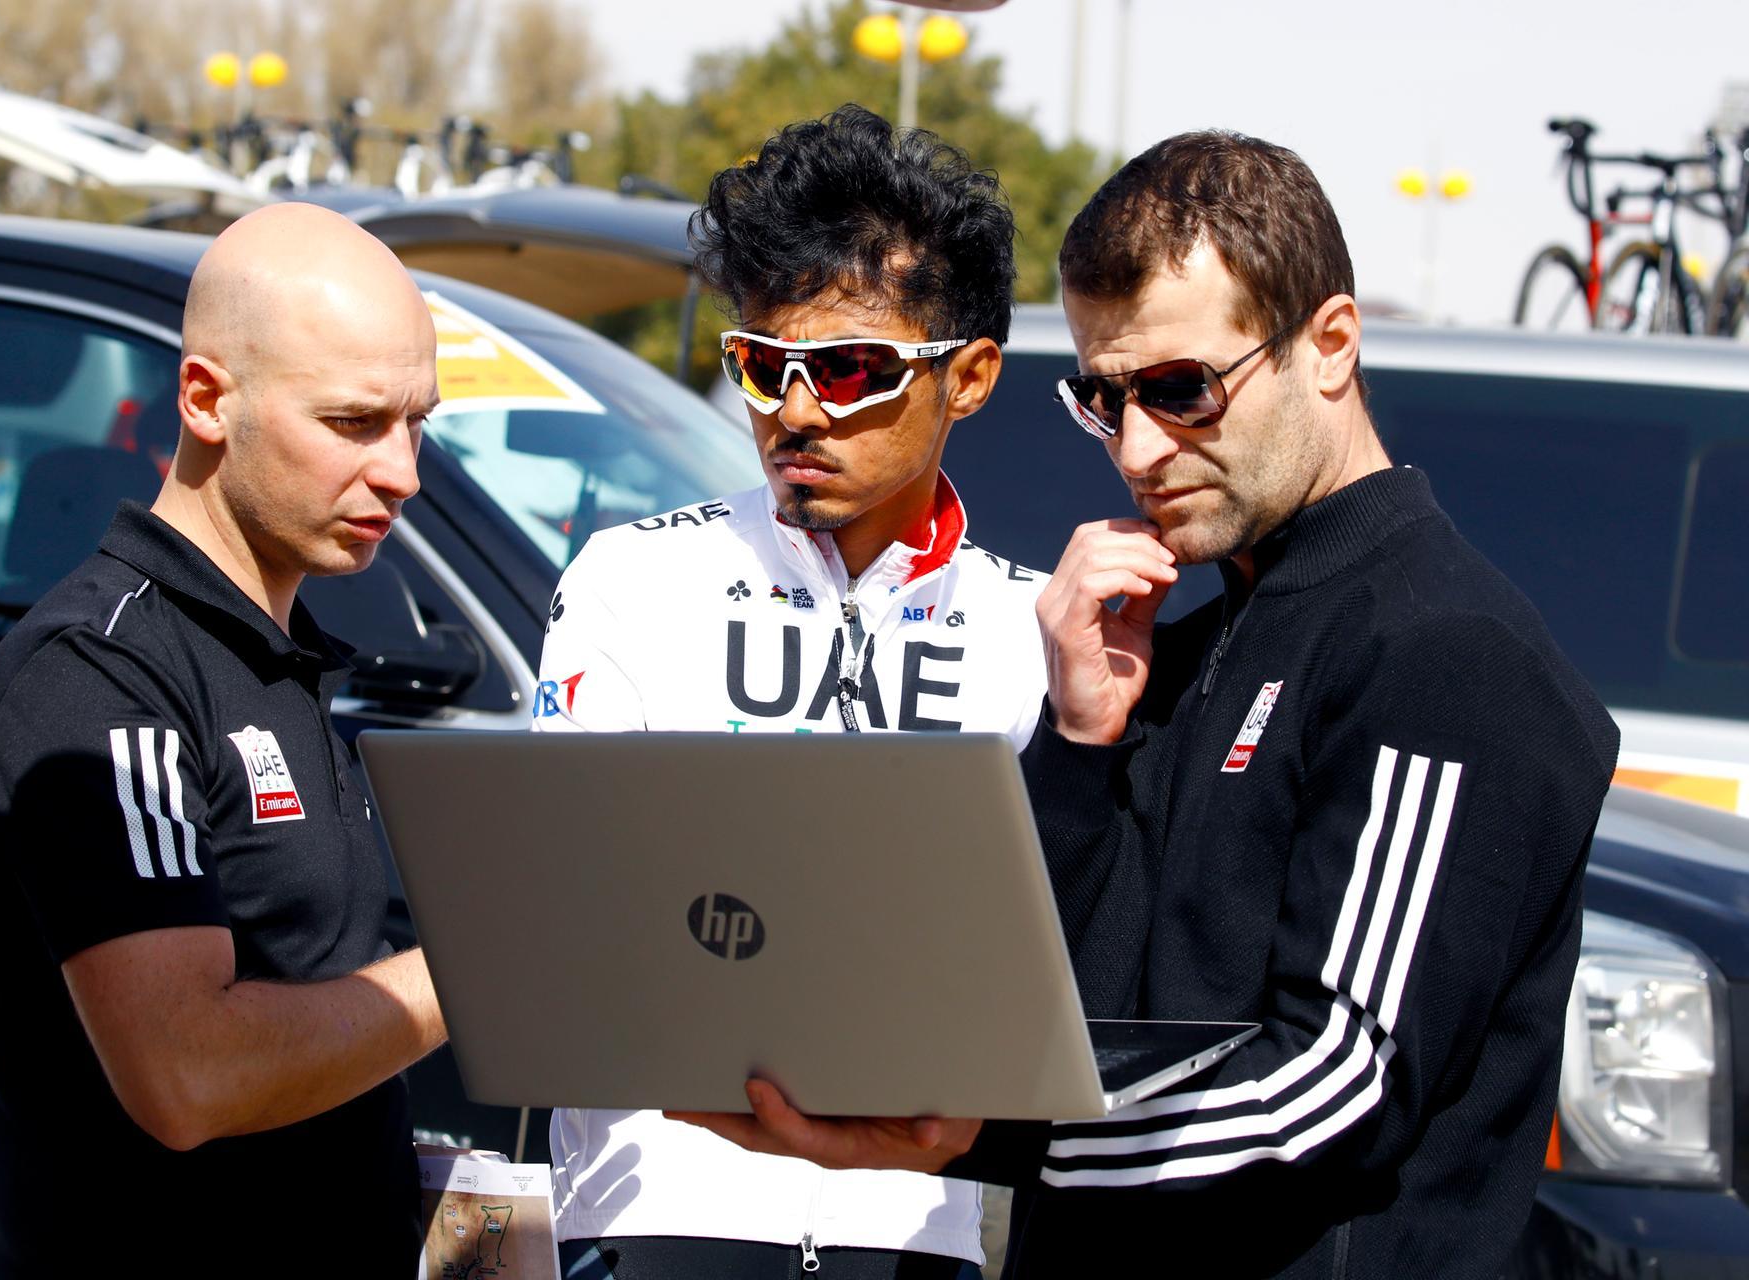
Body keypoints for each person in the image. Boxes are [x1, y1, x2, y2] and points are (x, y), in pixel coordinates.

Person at [675, 130, 1621, 1279]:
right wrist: (1076, 744)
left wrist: (985, 1133)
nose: (1136, 446)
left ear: (1329, 346)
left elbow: (1330, 1088)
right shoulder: (1177, 643)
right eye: (1100, 397)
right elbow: (1033, 1000)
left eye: (1181, 391)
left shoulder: (1444, 652)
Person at [532, 104, 1045, 1278]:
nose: (797, 413)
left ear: (967, 376)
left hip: (913, 1232)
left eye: (853, 369)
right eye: (763, 367)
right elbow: (564, 919)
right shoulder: (634, 577)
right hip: (657, 1210)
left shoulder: (1034, 627)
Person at [0, 202, 447, 1277]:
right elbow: (189, 1073)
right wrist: (479, 970)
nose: (405, 472)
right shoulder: (95, 672)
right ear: (206, 399)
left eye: (419, 423)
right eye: (357, 423)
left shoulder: (276, 650)